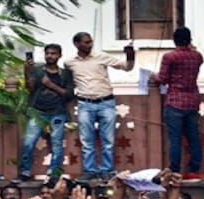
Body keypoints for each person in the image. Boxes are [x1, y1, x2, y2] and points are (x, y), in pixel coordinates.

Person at [65, 32, 135, 180]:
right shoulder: (69, 62)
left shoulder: (101, 56)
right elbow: (67, 81)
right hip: (85, 103)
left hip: (106, 102)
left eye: (90, 42)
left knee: (108, 140)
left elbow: (126, 67)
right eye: (86, 42)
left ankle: (106, 170)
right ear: (77, 44)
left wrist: (130, 56)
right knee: (86, 140)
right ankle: (89, 171)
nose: (89, 45)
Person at [152, 27, 204, 178]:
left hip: (175, 101)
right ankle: (194, 169)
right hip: (192, 101)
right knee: (193, 137)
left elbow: (162, 79)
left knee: (175, 139)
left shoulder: (170, 57)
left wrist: (153, 76)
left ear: (174, 40)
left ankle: (175, 170)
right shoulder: (197, 56)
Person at [20, 44, 75, 181]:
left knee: (57, 144)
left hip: (57, 112)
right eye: (48, 53)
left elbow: (69, 94)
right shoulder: (38, 71)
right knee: (28, 142)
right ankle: (25, 171)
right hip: (37, 112)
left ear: (59, 55)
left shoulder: (65, 74)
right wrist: (27, 72)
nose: (50, 56)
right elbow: (30, 88)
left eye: (53, 53)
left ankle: (53, 173)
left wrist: (51, 85)